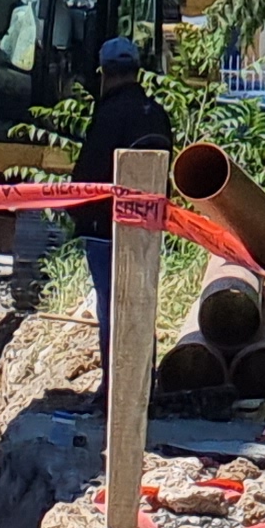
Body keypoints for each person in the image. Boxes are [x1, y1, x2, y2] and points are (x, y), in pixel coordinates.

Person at [72, 33, 178, 369]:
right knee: (141, 306)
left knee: (111, 309)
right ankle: (143, 380)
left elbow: (88, 174)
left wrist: (76, 213)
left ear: (104, 73)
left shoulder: (108, 115)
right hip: (147, 228)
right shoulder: (156, 113)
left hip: (105, 230)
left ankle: (113, 384)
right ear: (137, 70)